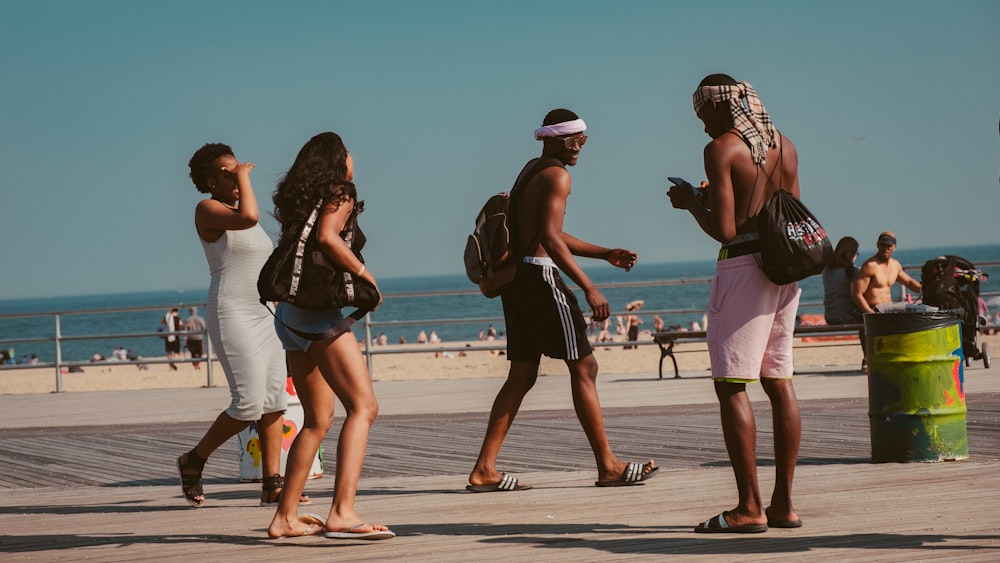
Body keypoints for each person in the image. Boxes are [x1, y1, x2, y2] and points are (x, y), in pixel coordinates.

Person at [467, 108, 658, 493]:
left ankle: (485, 469)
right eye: (575, 141)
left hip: (517, 280)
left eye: (584, 142)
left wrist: (605, 253)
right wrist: (590, 287)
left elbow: (546, 231)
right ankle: (608, 466)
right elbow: (551, 241)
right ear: (553, 140)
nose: (579, 149)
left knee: (521, 374)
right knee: (584, 367)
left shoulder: (532, 170)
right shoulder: (557, 175)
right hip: (539, 279)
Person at [667, 74, 803, 533]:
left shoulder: (722, 149)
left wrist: (690, 202)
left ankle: (749, 507)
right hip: (784, 270)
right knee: (779, 381)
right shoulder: (784, 144)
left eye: (702, 113)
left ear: (720, 106)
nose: (702, 125)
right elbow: (787, 211)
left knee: (731, 384)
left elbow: (726, 230)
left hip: (743, 268)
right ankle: (784, 504)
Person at [266, 132, 394, 540]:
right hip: (318, 317)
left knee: (318, 420)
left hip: (288, 316)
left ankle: (285, 517)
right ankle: (342, 512)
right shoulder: (341, 192)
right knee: (364, 406)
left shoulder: (299, 198)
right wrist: (365, 275)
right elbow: (327, 238)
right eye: (349, 152)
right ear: (338, 160)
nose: (354, 157)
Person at [178, 143, 308, 512]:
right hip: (232, 311)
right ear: (210, 181)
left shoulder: (235, 211)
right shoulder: (207, 210)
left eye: (238, 169)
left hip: (265, 314)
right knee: (248, 402)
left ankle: (272, 485)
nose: (236, 176)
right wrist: (246, 177)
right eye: (227, 172)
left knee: (273, 401)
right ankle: (194, 459)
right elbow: (250, 217)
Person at [852, 232, 922, 315]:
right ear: (877, 245)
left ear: (894, 247)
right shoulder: (870, 266)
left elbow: (909, 282)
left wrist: (925, 290)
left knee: (921, 308)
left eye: (889, 246)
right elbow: (857, 294)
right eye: (883, 245)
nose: (886, 248)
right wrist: (870, 314)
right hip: (876, 309)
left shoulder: (895, 265)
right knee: (910, 308)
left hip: (889, 308)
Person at [823, 237, 863, 325]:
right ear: (851, 254)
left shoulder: (827, 270)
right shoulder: (853, 271)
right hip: (845, 318)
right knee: (869, 319)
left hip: (829, 317)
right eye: (857, 253)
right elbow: (856, 297)